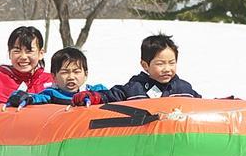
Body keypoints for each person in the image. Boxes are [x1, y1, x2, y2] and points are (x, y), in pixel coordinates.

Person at [70, 33, 202, 106]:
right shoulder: (134, 88)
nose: (167, 69)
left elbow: (204, 106)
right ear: (145, 65)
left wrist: (221, 104)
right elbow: (108, 97)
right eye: (160, 64)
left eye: (172, 63)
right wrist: (91, 96)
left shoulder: (184, 89)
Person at [5, 47, 109, 106]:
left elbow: (111, 96)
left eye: (76, 72)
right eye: (64, 72)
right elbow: (35, 98)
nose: (71, 77)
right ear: (54, 76)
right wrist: (22, 97)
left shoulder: (96, 91)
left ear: (86, 74)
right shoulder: (51, 94)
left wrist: (94, 97)